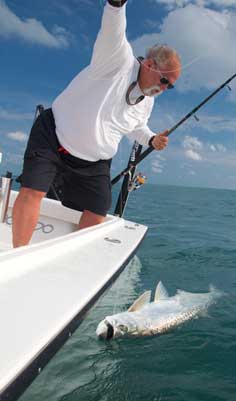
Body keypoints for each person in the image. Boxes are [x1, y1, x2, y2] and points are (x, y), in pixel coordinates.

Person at [12, 0, 182, 247]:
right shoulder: (117, 59)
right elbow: (113, 28)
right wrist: (116, 5)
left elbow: (135, 126)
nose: (165, 89)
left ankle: (69, 255)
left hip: (94, 163)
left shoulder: (147, 101)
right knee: (33, 191)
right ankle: (20, 254)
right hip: (53, 137)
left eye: (171, 86)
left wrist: (151, 139)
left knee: (98, 209)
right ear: (149, 64)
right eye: (166, 81)